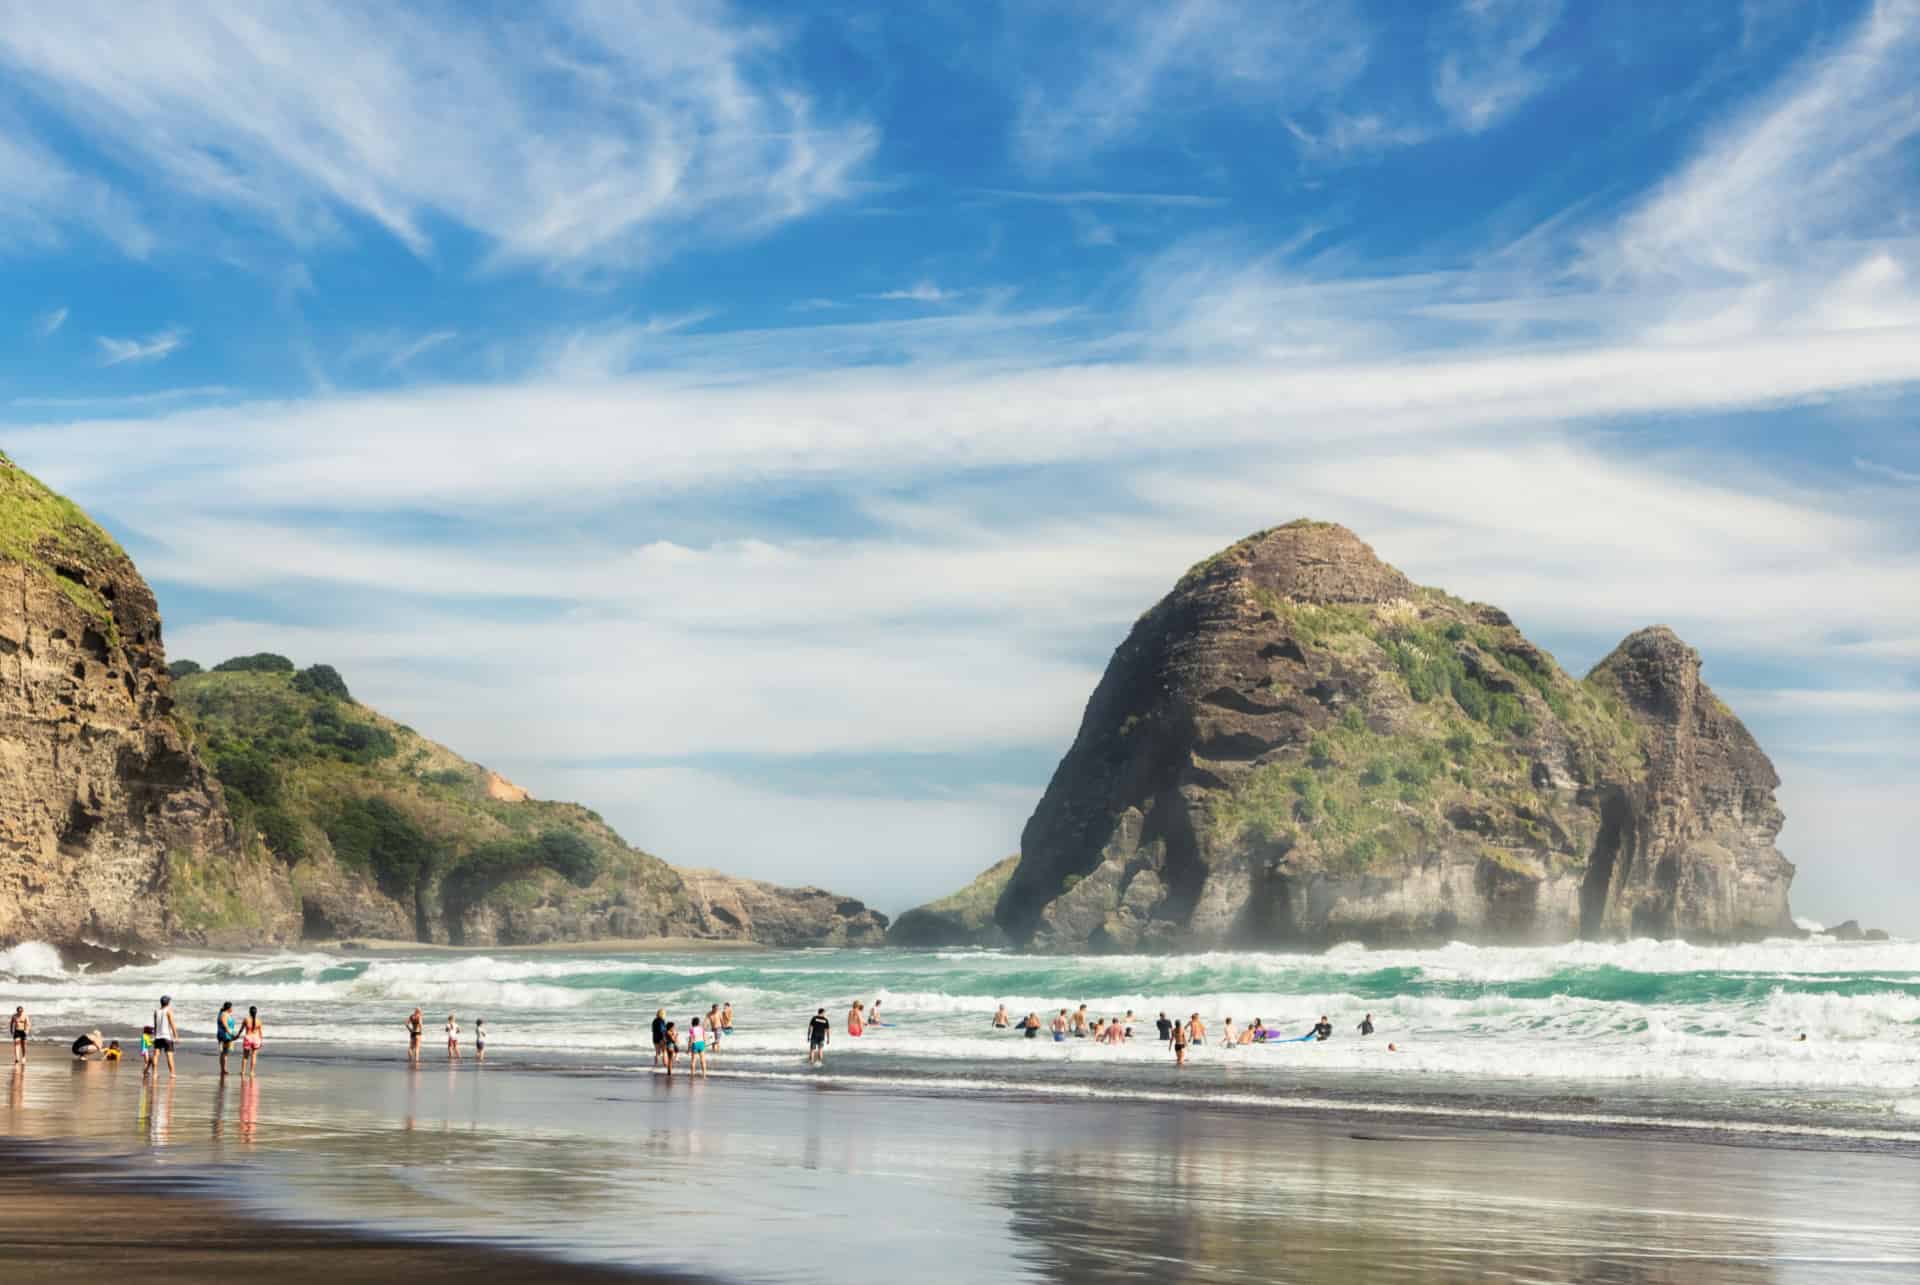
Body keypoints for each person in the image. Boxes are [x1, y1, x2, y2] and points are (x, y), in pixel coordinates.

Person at [150, 995, 178, 1078]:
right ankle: (172, 1073)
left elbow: (155, 1025)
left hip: (158, 1036)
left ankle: (154, 1073)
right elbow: (172, 1024)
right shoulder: (169, 1011)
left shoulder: (156, 1011)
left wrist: (154, 1035)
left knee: (156, 1055)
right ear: (168, 1002)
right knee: (169, 1055)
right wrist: (176, 1036)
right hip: (167, 1037)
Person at [216, 1001, 239, 1076]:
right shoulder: (224, 1015)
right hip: (225, 1035)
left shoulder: (225, 1014)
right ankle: (223, 1069)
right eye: (231, 1007)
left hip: (226, 1035)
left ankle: (223, 1069)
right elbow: (225, 1026)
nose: (232, 1009)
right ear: (228, 1008)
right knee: (224, 1053)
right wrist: (232, 1035)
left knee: (224, 1053)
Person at [240, 1006, 263, 1077]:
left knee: (245, 1056)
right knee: (254, 1056)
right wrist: (261, 1041)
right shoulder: (259, 1020)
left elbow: (241, 1029)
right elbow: (260, 1032)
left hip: (248, 1038)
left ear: (249, 1012)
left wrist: (237, 1035)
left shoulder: (246, 1019)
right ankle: (251, 1072)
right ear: (256, 1012)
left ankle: (243, 1071)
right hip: (256, 1038)